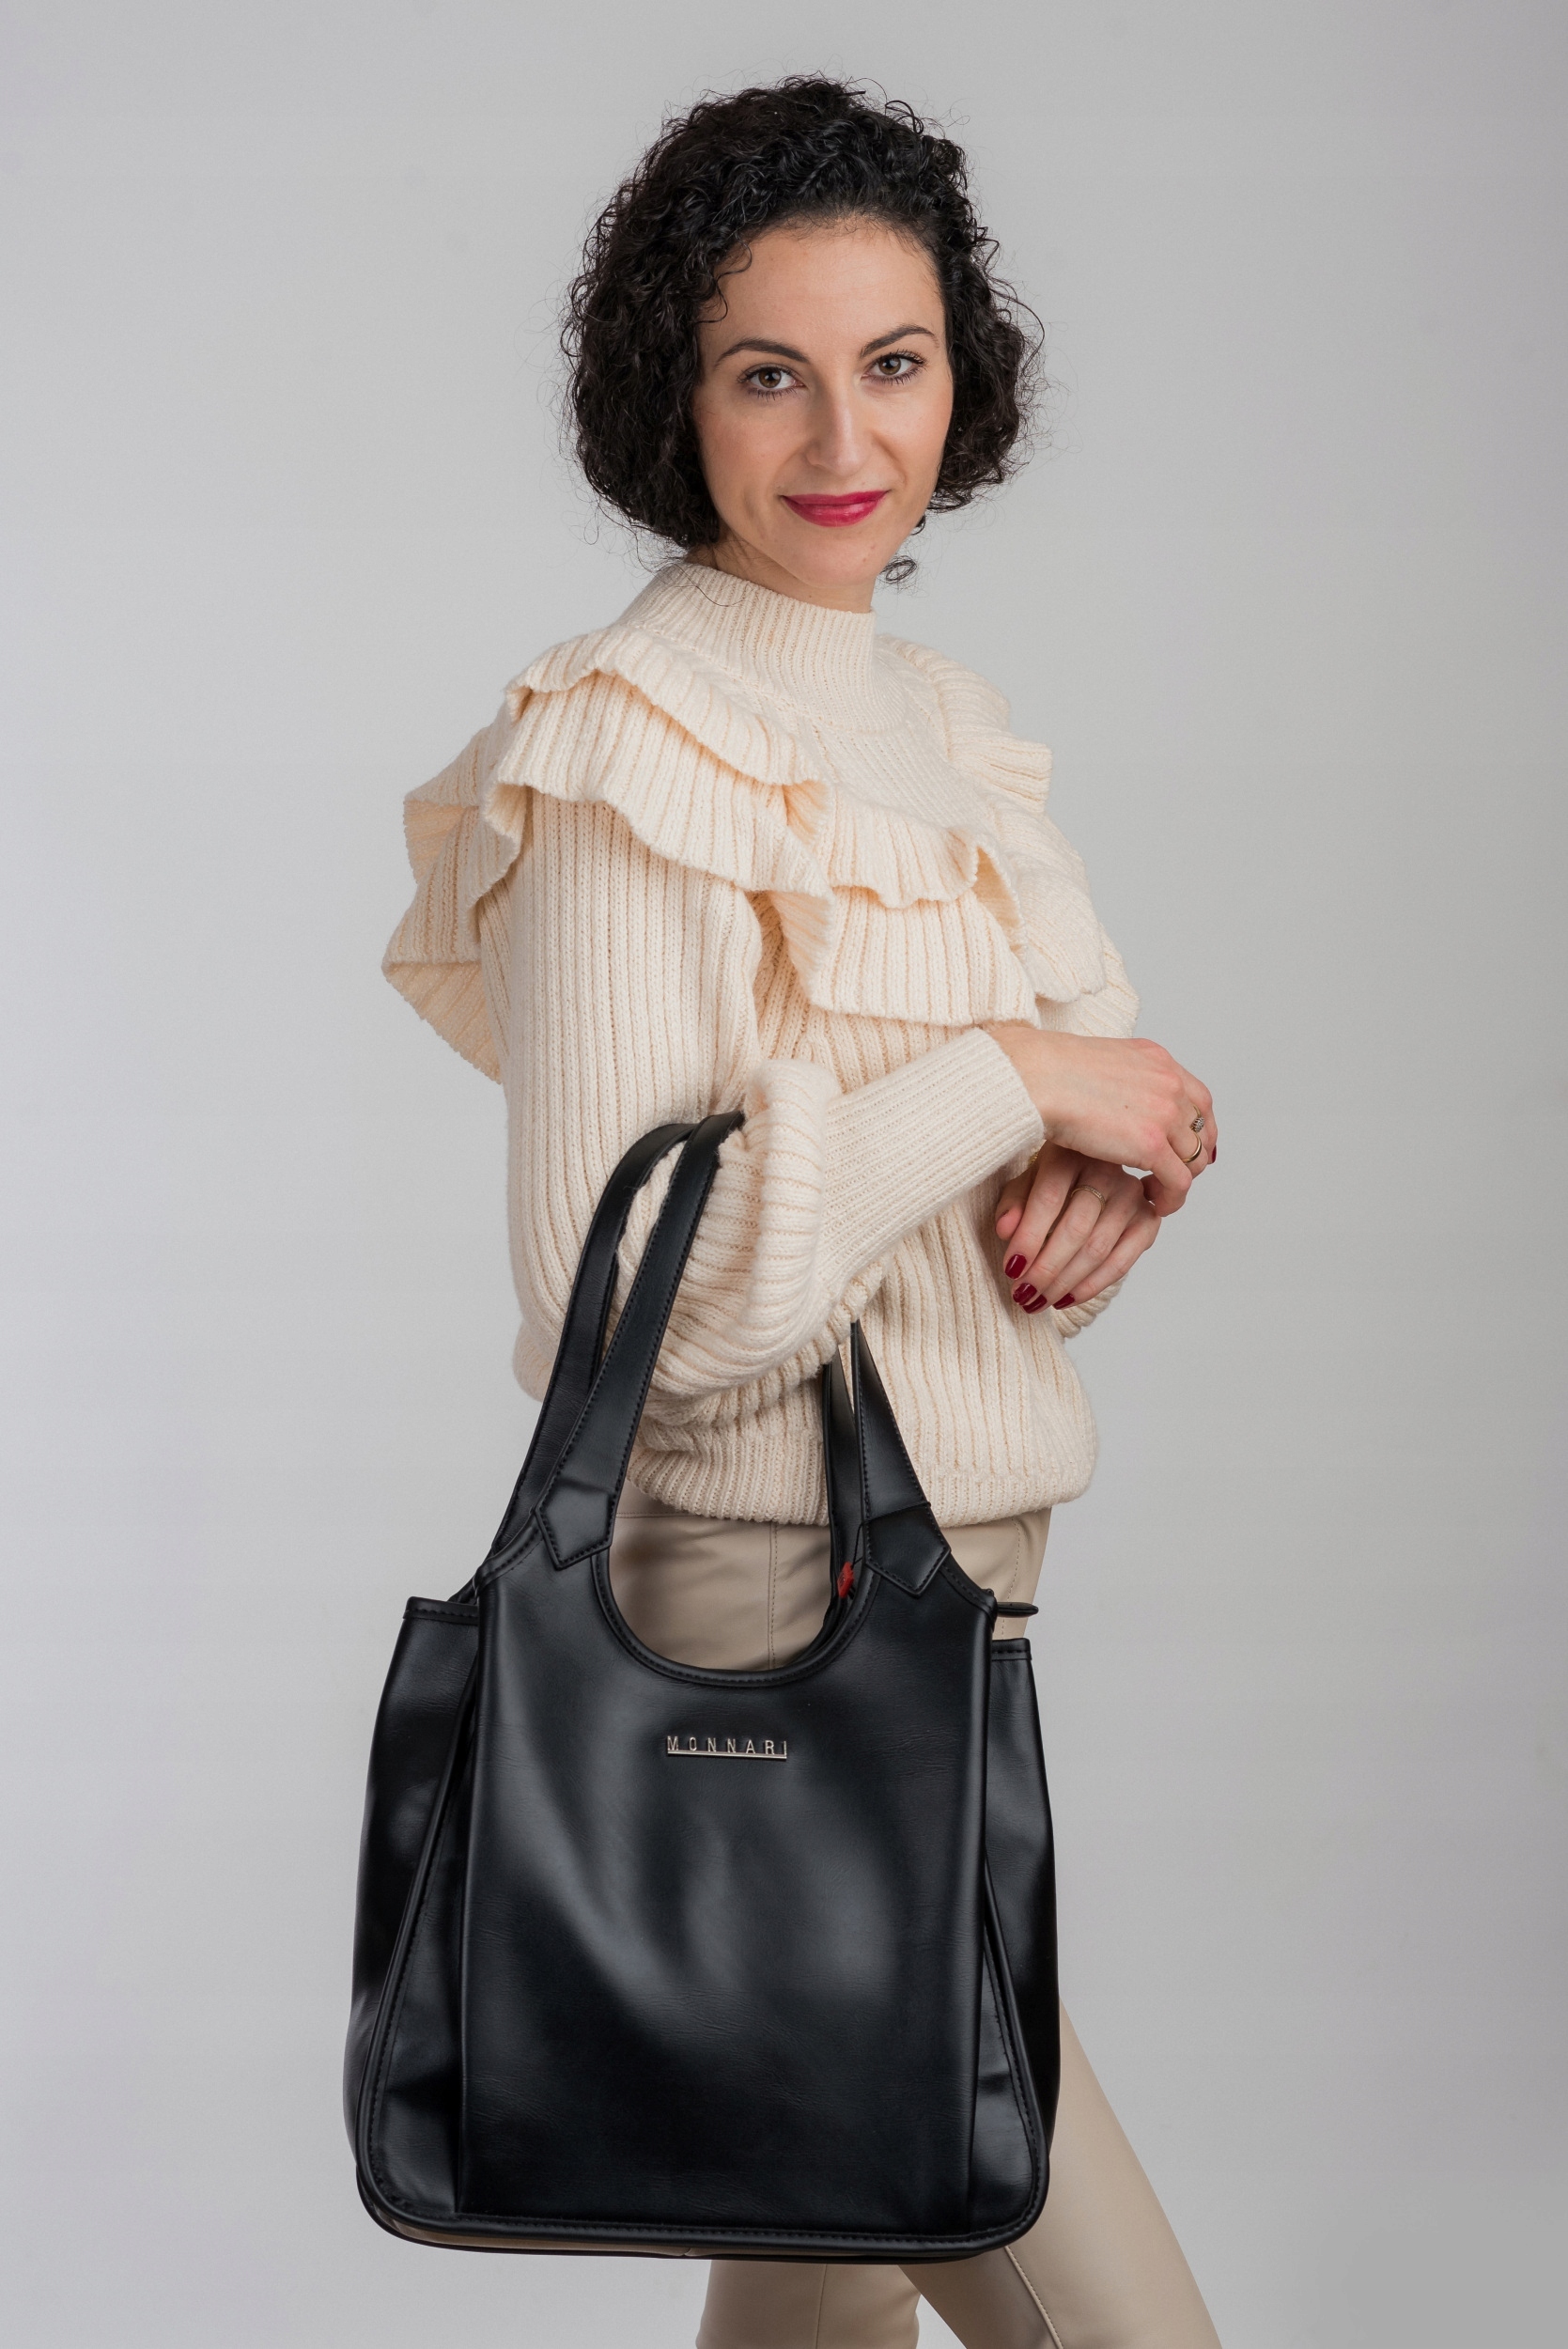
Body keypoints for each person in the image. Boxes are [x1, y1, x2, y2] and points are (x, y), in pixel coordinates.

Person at [384, 74, 1220, 2349]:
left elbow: (1077, 1111)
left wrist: (1116, 1160)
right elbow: (623, 1305)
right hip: (764, 1610)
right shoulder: (629, 743)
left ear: (964, 373)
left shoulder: (939, 722)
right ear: (675, 397)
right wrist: (1012, 1080)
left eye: (895, 362)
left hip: (952, 1587)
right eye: (769, 372)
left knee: (822, 2282)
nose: (845, 437)